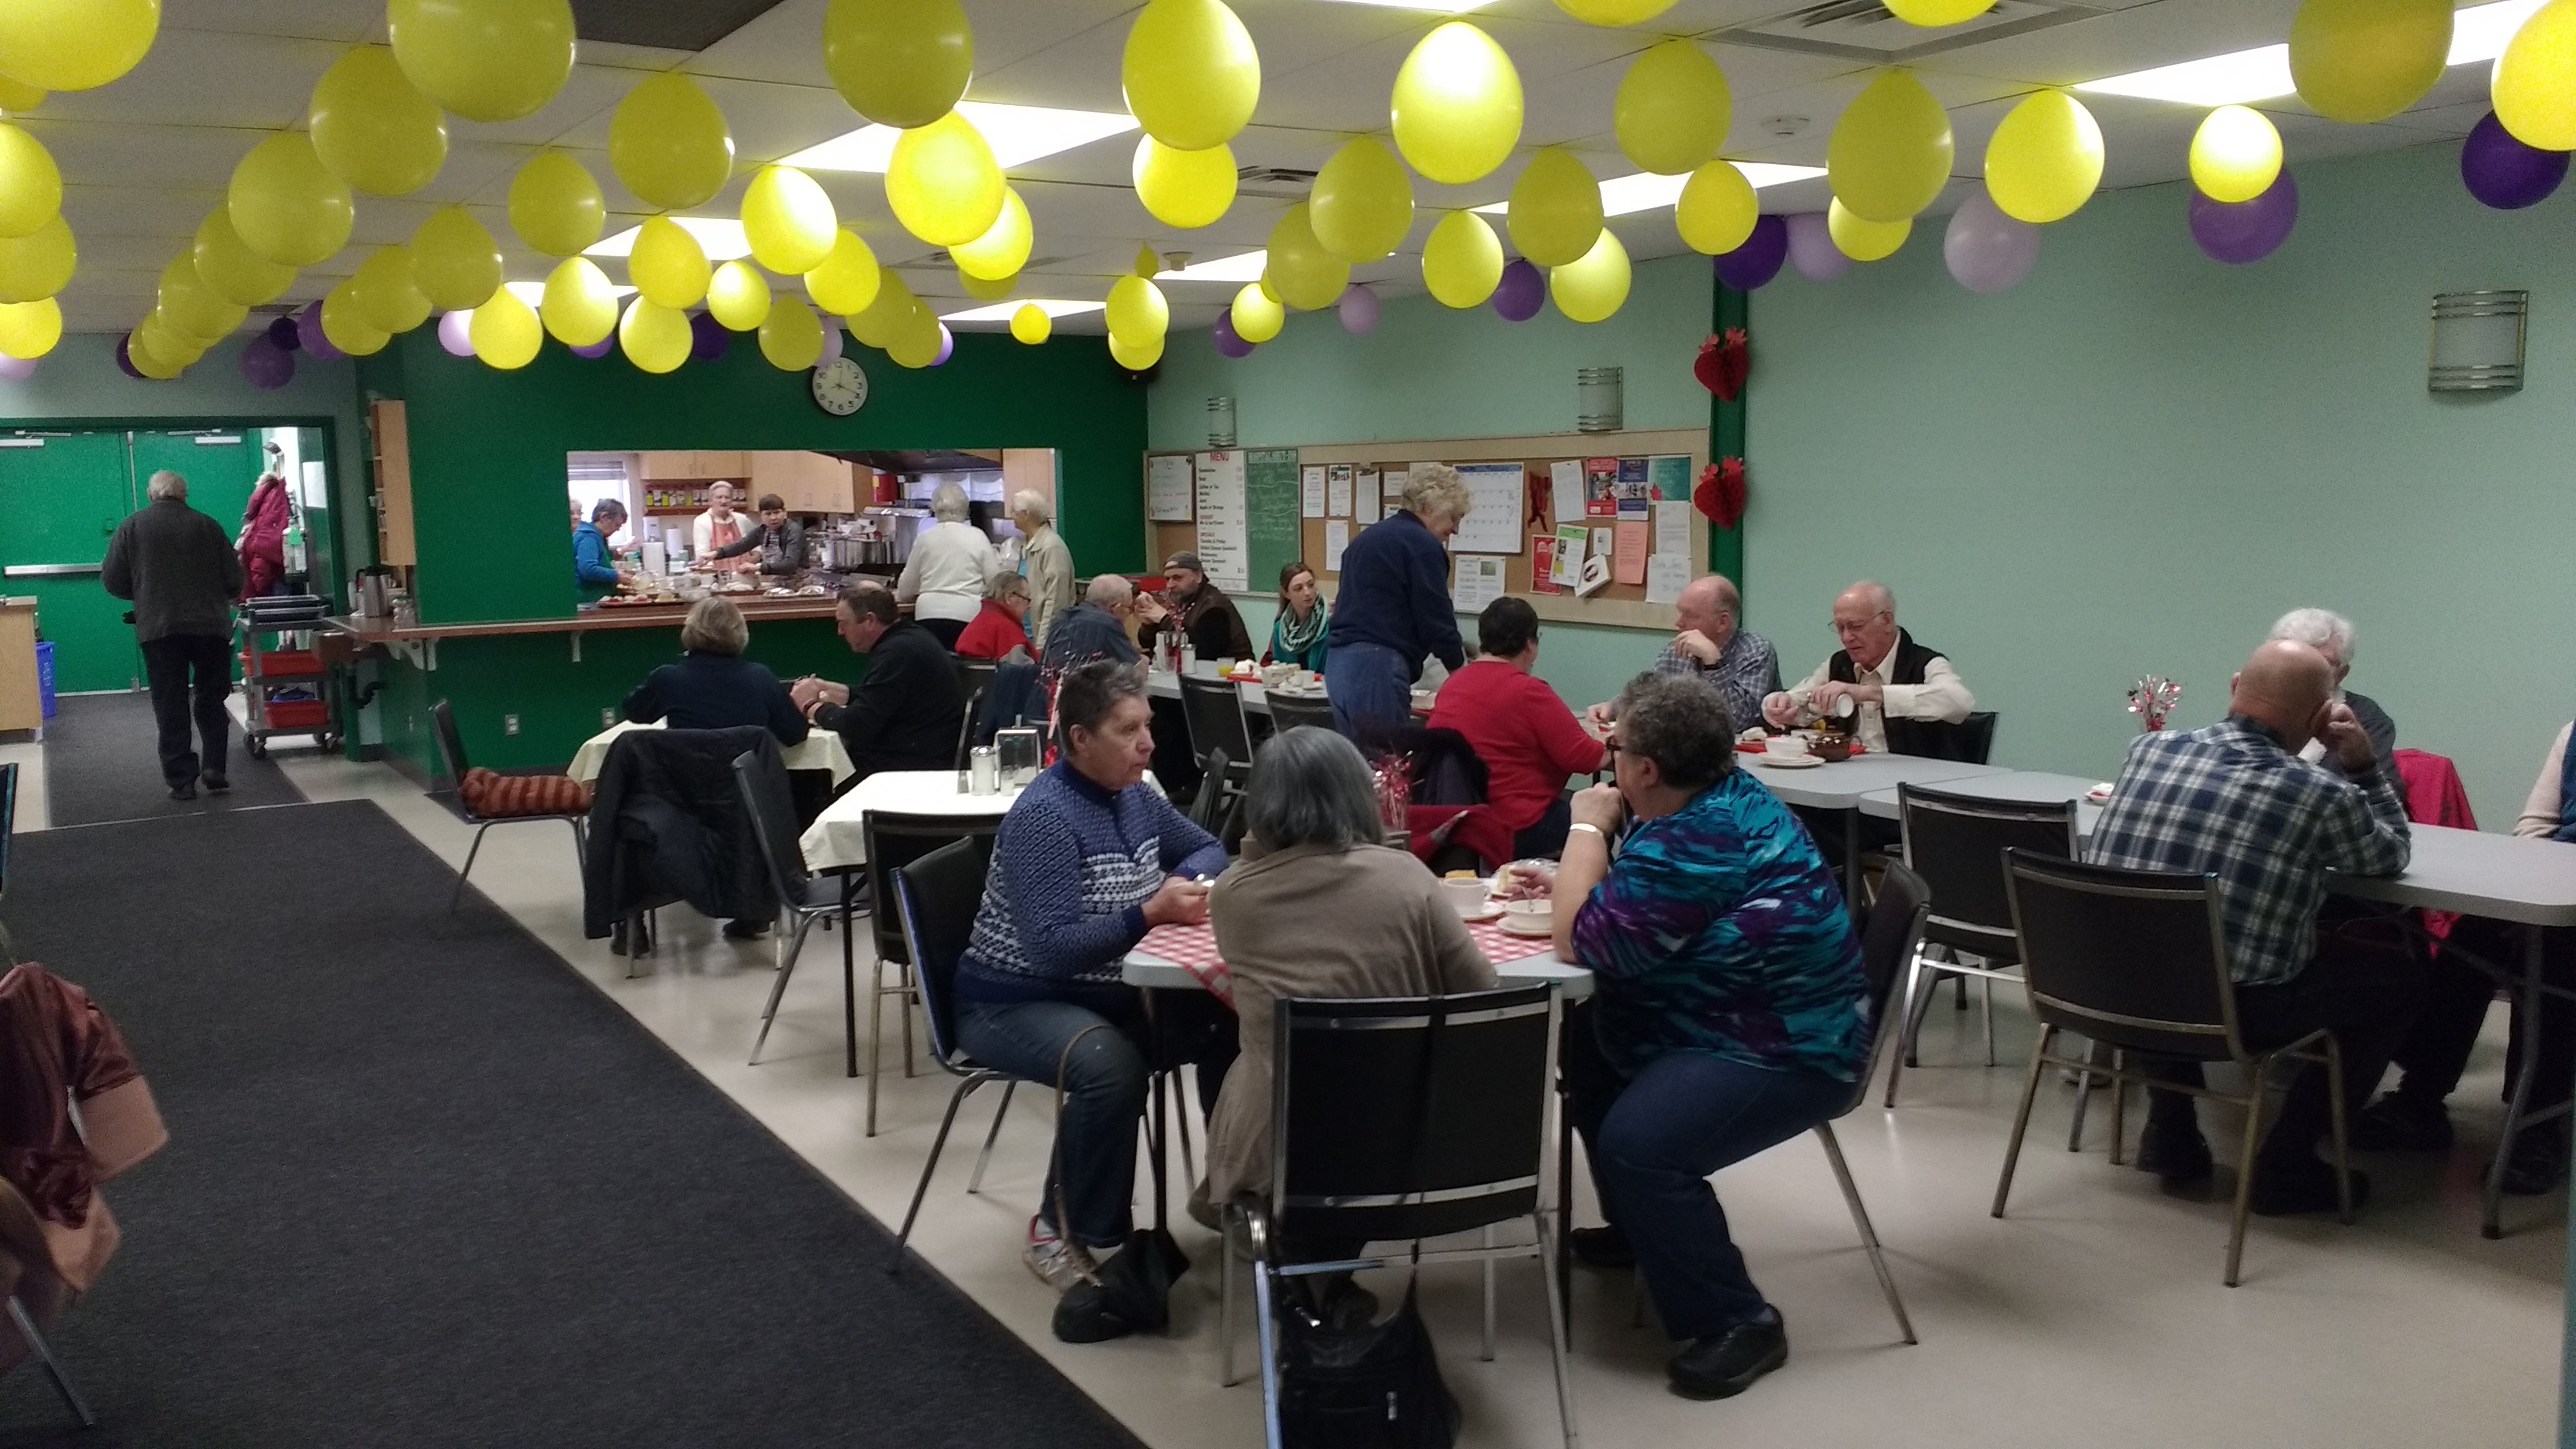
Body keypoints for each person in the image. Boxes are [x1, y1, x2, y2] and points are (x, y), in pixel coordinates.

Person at [1551, 672, 1869, 1403]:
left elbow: (1577, 938)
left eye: (1617, 743)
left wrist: (1585, 828)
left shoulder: (1699, 836)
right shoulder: (1714, 800)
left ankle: (1741, 1320)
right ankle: (1644, 1229)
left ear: (1644, 769)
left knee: (1642, 1143)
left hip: (1790, 1045)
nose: (1609, 754)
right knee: (1586, 1046)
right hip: (1739, 1013)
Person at [2088, 639, 2419, 1214]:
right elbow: (2390, 855)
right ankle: (2286, 1165)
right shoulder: (2320, 792)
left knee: (2164, 950)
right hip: (2237, 1013)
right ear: (2321, 718)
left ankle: (2171, 1133)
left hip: (2109, 993)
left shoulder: (2147, 751)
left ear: (2236, 686)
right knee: (2397, 983)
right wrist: (2363, 767)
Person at [953, 661, 1235, 1304]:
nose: (1148, 744)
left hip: (1103, 991)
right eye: (1128, 729)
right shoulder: (1045, 819)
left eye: (1147, 727)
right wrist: (1147, 913)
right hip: (1009, 1000)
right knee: (1111, 1068)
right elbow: (1051, 952)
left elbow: (1208, 848)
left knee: (1231, 1017)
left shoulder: (1135, 796)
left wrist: (1179, 882)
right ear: (1079, 738)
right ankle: (1060, 1229)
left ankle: (1232, 1185)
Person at [1205, 726, 1497, 1307]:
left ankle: (1293, 1259)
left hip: (1290, 1144)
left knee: (1245, 1057)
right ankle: (1322, 1275)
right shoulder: (1407, 878)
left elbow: (1262, 867)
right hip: (1413, 1136)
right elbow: (1480, 993)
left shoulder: (1234, 896)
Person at [2352, 719, 2576, 1192]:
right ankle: (2421, 1101)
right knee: (2476, 933)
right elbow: (2535, 829)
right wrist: (2528, 897)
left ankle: (2537, 1125)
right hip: (2561, 892)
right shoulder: (2572, 733)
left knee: (2555, 955)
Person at [103, 469, 246, 801]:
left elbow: (112, 581)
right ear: (185, 495)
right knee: (211, 698)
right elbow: (234, 579)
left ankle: (182, 780)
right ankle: (215, 767)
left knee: (170, 703)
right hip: (210, 626)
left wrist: (143, 594)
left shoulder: (132, 527)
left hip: (159, 628)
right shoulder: (208, 526)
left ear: (152, 495)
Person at [1427, 597, 1608, 859]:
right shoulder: (1529, 692)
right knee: (1600, 809)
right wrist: (1613, 742)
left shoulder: (1453, 684)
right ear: (1530, 645)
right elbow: (1585, 758)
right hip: (1517, 825)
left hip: (1463, 820)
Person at [1325, 464, 1472, 742]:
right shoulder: (1423, 545)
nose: (1455, 530)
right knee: (1390, 771)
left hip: (1338, 665)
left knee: (1360, 770)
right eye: (1454, 517)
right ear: (1429, 506)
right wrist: (1460, 675)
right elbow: (1437, 618)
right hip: (1377, 667)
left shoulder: (1364, 540)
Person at [1762, 581, 1975, 758]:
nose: (1846, 638)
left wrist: (1868, 693)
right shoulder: (1839, 663)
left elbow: (1960, 702)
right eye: (1840, 628)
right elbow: (1801, 700)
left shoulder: (1926, 662)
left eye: (1855, 626)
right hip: (1848, 783)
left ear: (1887, 621)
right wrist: (1778, 705)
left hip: (1913, 786)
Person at [788, 580, 967, 780]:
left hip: (908, 769)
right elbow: (885, 700)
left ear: (870, 621)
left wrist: (810, 705)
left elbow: (858, 725)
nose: (840, 632)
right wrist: (845, 693)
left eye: (842, 623)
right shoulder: (910, 639)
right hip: (923, 753)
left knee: (808, 780)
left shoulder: (896, 653)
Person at [1586, 575, 1777, 739]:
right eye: (1680, 613)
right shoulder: (1675, 650)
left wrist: (1713, 663)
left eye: (1690, 615)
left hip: (1736, 759)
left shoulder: (1756, 650)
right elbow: (1652, 696)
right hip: (1685, 754)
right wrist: (1614, 708)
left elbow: (1735, 723)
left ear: (1722, 622)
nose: (1679, 623)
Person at [622, 597, 808, 744]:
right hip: (745, 787)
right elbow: (796, 735)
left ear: (689, 631)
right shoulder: (761, 678)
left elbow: (634, 712)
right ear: (741, 632)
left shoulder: (667, 679)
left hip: (680, 787)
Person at [2267, 607, 2395, 767]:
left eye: (2322, 662)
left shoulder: (2366, 719)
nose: (2306, 670)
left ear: (2342, 674)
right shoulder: (2255, 705)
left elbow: (2381, 788)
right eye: (2294, 659)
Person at [897, 482, 998, 650]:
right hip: (968, 615)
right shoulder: (977, 536)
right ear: (965, 510)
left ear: (935, 509)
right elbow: (996, 581)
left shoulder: (925, 538)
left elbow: (905, 590)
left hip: (928, 616)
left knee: (934, 669)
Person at [1137, 551, 1252, 664]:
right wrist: (1149, 626)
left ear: (1198, 576)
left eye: (1178, 578)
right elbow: (1151, 646)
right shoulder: (1177, 601)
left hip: (1231, 675)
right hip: (1185, 672)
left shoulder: (1215, 606)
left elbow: (1202, 652)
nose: (1170, 585)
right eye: (1168, 579)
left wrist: (1164, 619)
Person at [1013, 490, 1076, 650]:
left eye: (1014, 511)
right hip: (1028, 636)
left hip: (1044, 642)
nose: (1011, 515)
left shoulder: (1052, 547)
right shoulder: (1030, 544)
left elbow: (1056, 601)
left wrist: (1042, 644)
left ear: (1026, 514)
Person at [1041, 575, 1143, 674]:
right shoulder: (1108, 624)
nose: (1130, 613)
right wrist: (1144, 660)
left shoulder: (1061, 617)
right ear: (1117, 608)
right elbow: (1136, 671)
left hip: (1047, 687)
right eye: (1129, 608)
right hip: (1082, 690)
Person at [704, 493, 806, 578]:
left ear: (785, 513)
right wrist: (716, 554)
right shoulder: (763, 531)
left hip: (798, 581)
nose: (773, 518)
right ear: (761, 516)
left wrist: (757, 567)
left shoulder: (793, 531)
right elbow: (742, 546)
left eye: (777, 513)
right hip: (776, 581)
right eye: (768, 514)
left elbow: (790, 565)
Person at [235, 449, 292, 599]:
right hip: (278, 569)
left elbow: (263, 544)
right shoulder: (275, 498)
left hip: (271, 568)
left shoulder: (268, 501)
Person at [956, 571, 1036, 661]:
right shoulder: (1009, 631)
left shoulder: (978, 622)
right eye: (1027, 599)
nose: (1029, 607)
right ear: (1009, 598)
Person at [1264, 561, 1329, 672]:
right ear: (1287, 594)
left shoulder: (1329, 622)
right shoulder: (1280, 629)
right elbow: (1279, 666)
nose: (1307, 592)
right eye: (1298, 589)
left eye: (1311, 585)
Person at [574, 498, 635, 601]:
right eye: (617, 525)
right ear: (604, 517)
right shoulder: (589, 537)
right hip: (589, 600)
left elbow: (602, 558)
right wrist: (616, 575)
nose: (618, 529)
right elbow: (588, 569)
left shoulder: (597, 537)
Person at [690, 482, 756, 575]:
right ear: (710, 501)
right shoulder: (702, 521)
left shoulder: (742, 519)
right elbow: (702, 553)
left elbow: (756, 540)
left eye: (727, 497)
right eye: (719, 497)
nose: (724, 501)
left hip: (745, 574)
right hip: (717, 576)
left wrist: (757, 555)